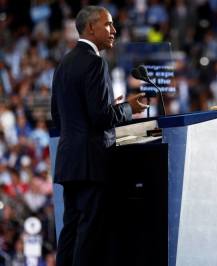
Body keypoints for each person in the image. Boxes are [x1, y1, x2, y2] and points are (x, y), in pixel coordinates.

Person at [50, 5, 148, 266]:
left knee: (69, 232)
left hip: (69, 161)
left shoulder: (64, 63)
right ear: (91, 27)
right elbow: (100, 118)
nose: (114, 30)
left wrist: (110, 108)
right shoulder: (94, 62)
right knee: (89, 235)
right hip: (91, 164)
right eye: (108, 24)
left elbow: (58, 115)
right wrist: (129, 108)